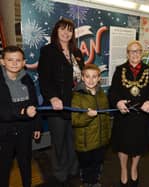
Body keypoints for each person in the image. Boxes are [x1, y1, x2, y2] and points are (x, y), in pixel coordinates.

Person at [38, 18, 84, 185]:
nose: (66, 33)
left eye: (70, 30)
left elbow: (82, 78)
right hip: (57, 105)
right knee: (59, 141)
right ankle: (60, 172)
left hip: (76, 105)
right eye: (63, 29)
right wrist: (52, 97)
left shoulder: (77, 53)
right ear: (56, 31)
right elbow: (44, 80)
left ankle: (73, 169)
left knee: (73, 139)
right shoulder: (48, 51)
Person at [108, 40, 149, 187]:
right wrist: (117, 102)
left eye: (137, 51)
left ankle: (134, 168)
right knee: (122, 145)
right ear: (127, 53)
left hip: (142, 117)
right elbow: (112, 92)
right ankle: (123, 169)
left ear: (141, 53)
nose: (135, 54)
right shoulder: (119, 70)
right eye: (132, 51)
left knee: (138, 145)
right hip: (123, 116)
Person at [0, 46, 41, 187]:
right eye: (10, 59)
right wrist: (23, 112)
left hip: (25, 129)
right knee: (4, 166)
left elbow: (34, 104)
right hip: (4, 132)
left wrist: (36, 125)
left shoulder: (27, 79)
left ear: (24, 62)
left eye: (18, 60)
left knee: (25, 163)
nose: (14, 63)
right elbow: (3, 111)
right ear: (2, 61)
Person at [72, 64, 111, 187]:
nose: (91, 80)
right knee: (87, 169)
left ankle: (96, 183)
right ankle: (87, 183)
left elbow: (106, 118)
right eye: (87, 76)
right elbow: (75, 120)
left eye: (94, 77)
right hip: (85, 144)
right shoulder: (77, 96)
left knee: (98, 166)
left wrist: (107, 136)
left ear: (99, 78)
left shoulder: (102, 95)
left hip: (100, 141)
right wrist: (87, 116)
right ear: (82, 77)